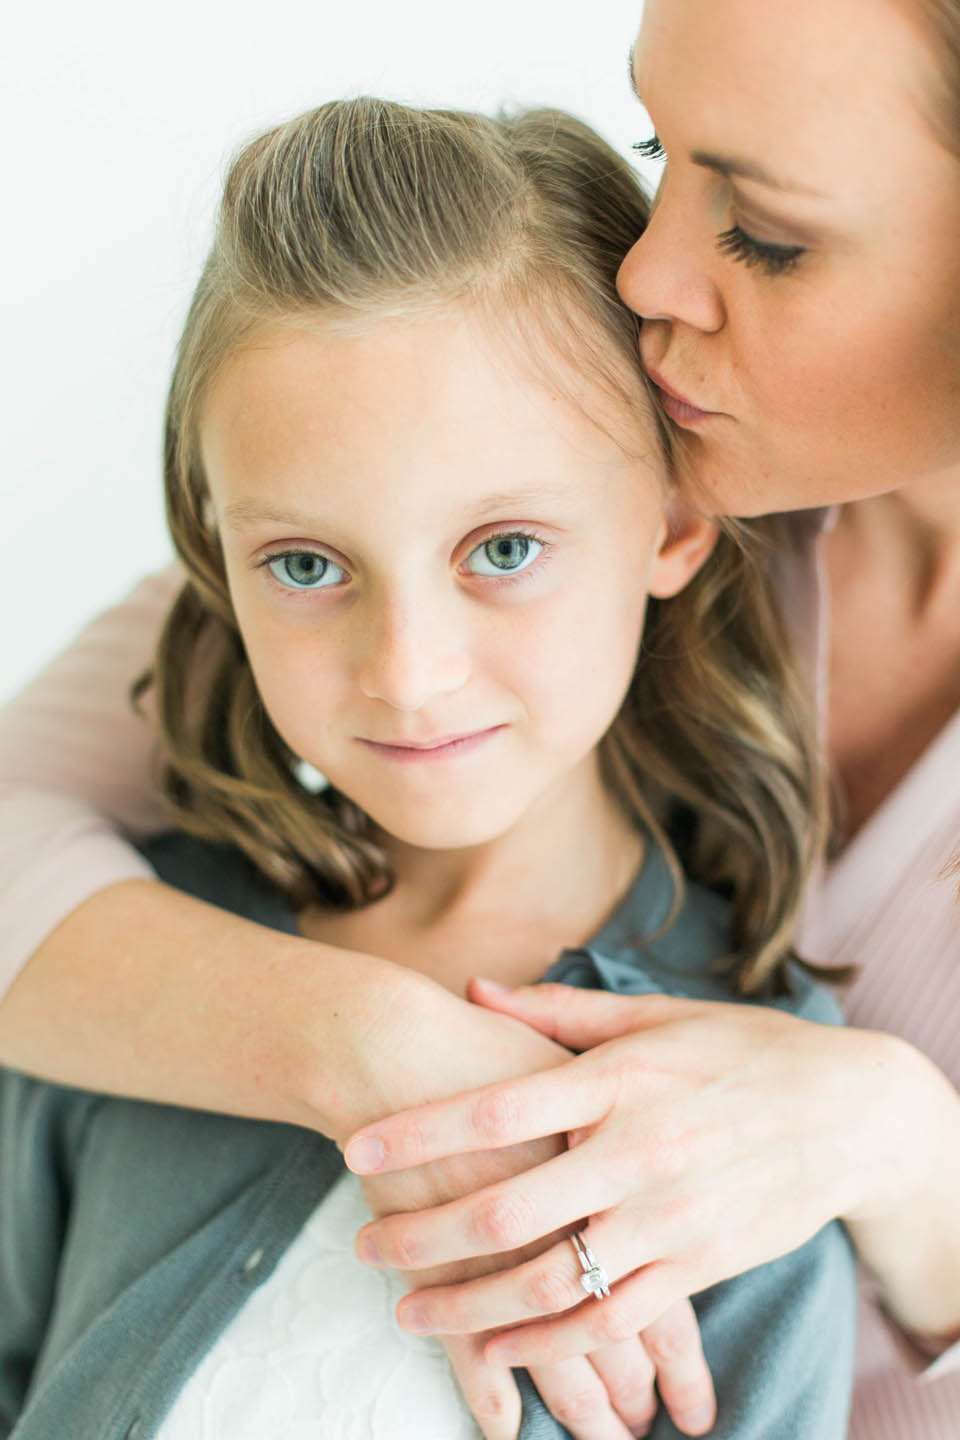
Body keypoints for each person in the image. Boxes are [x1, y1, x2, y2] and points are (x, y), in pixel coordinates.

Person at [2, 0, 960, 1433]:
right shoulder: (614, 421)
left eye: (764, 229)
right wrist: (361, 1046)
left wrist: (901, 1155)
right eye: (658, 148)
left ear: (668, 539)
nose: (645, 270)